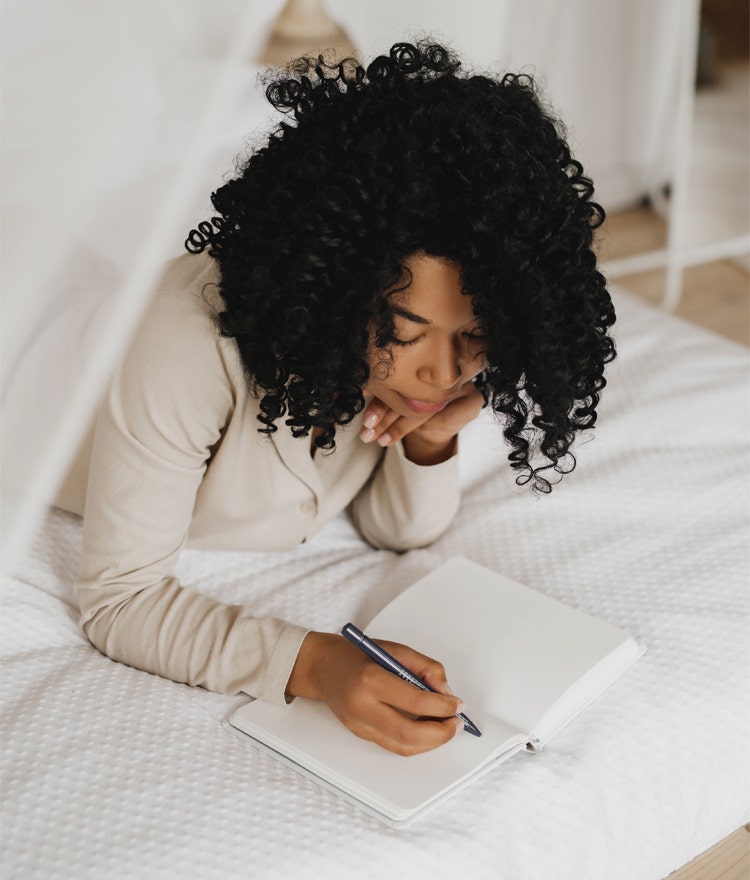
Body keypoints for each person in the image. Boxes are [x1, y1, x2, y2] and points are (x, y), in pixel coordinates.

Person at [59, 41, 616, 757]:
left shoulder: (376, 364)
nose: (439, 374)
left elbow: (397, 529)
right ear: (332, 287)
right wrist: (314, 664)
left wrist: (427, 440)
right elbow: (120, 602)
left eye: (474, 336)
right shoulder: (189, 349)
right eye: (403, 332)